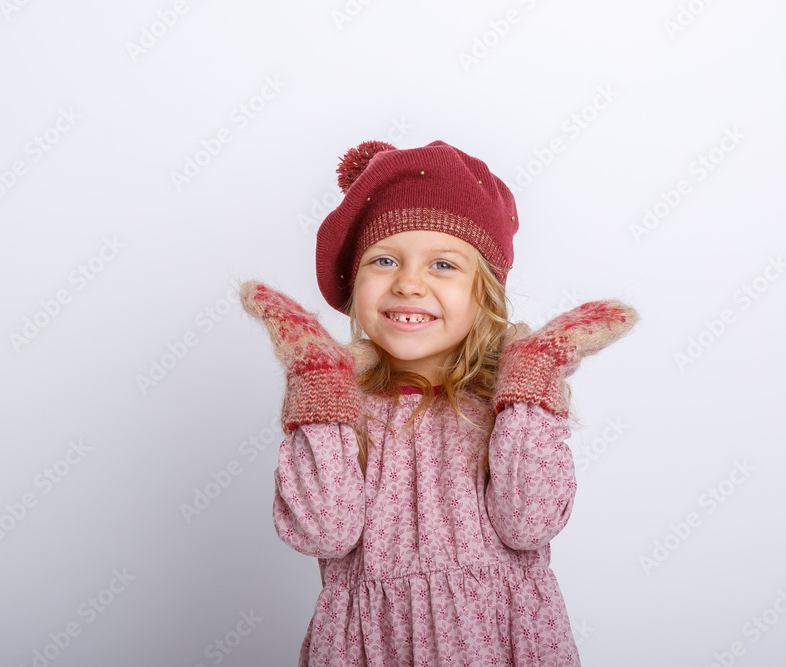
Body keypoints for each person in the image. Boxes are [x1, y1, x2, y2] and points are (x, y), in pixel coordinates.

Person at [239, 139, 639, 666]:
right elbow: (325, 531)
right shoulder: (341, 409)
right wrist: (319, 383)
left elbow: (529, 522)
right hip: (373, 645)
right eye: (384, 260)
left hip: (499, 643)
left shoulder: (505, 406)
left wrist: (534, 380)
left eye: (444, 266)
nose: (409, 283)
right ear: (353, 283)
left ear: (485, 293)